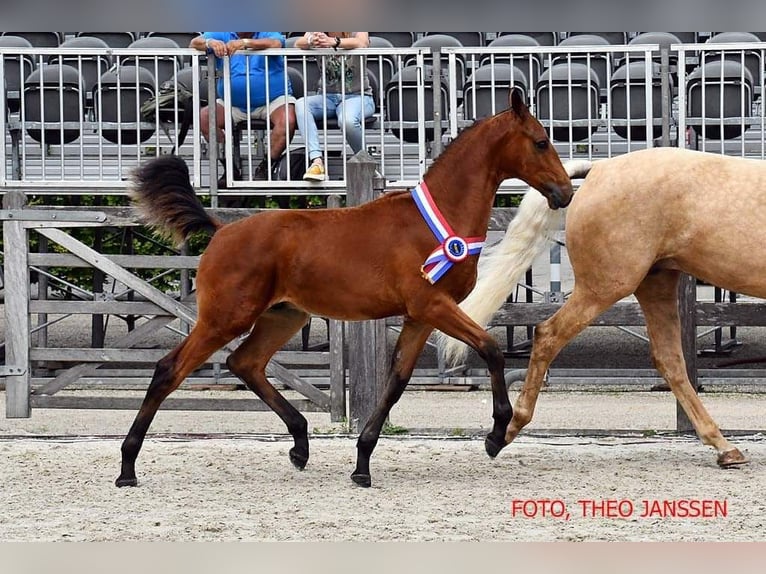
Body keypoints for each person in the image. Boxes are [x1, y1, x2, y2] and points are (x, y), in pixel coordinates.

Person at [190, 32, 296, 185]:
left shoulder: (267, 30)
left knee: (288, 120)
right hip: (232, 102)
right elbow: (194, 43)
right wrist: (210, 43)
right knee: (204, 118)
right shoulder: (222, 32)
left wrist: (245, 43)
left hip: (274, 99)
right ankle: (230, 168)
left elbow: (276, 43)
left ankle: (266, 167)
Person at [293, 32, 375, 181]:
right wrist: (312, 40)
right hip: (328, 96)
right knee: (301, 104)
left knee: (347, 120)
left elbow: (362, 42)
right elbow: (298, 43)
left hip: (359, 96)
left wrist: (334, 42)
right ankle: (316, 161)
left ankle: (366, 162)